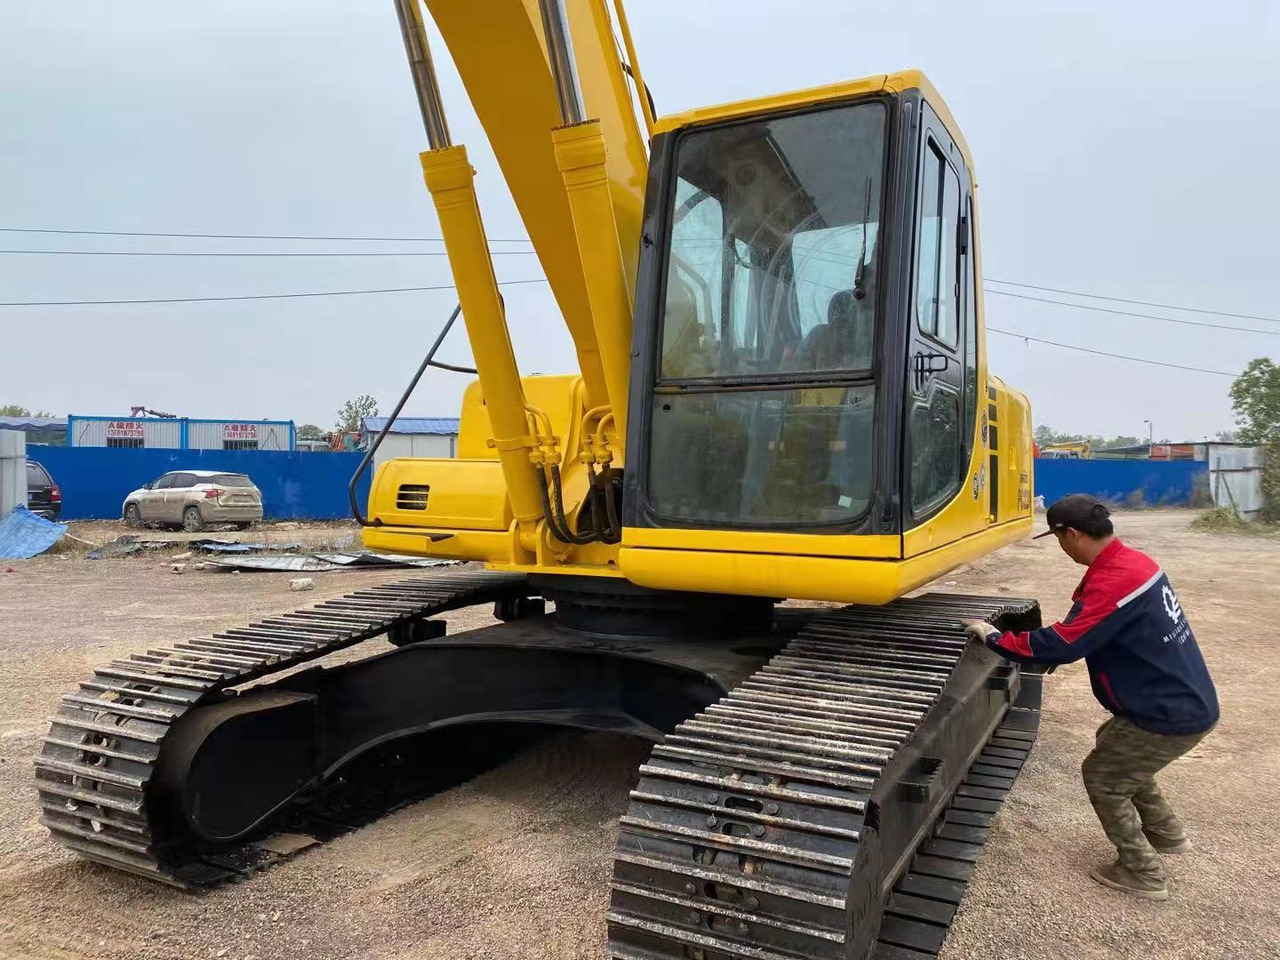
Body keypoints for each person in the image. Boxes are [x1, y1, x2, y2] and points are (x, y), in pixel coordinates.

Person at [962, 493, 1219, 901]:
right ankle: (1167, 833)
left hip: (1168, 711)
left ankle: (1142, 873)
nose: (1062, 548)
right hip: (1179, 698)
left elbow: (1064, 642)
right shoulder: (1134, 563)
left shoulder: (1115, 581)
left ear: (1073, 534)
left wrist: (996, 638)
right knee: (1116, 748)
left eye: (1059, 539)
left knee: (1103, 775)